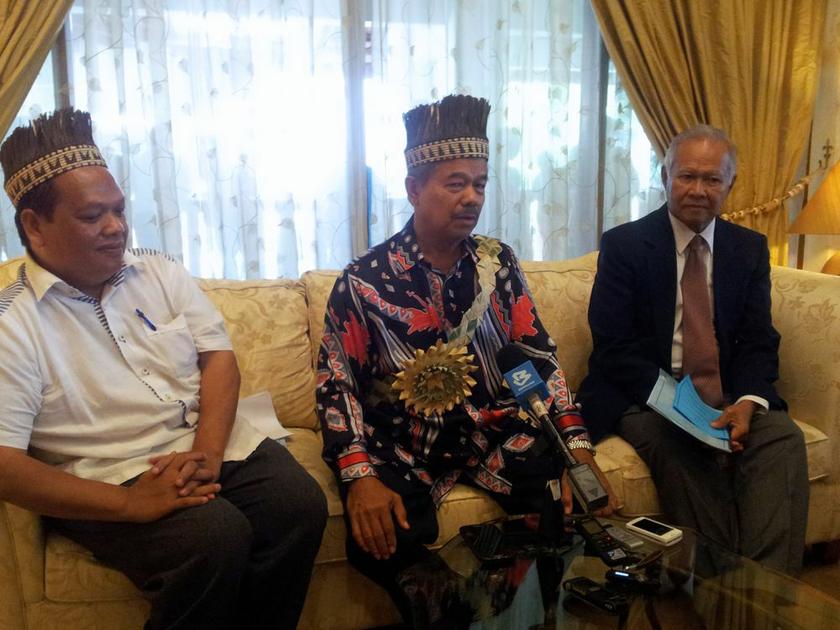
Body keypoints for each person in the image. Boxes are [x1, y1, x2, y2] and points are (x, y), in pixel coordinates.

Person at [0, 109, 327, 629]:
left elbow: (218, 357)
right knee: (214, 538)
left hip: (197, 442)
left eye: (119, 210)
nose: (116, 228)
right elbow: (6, 463)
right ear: (35, 227)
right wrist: (129, 506)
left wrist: (207, 454)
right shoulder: (12, 324)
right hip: (105, 472)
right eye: (92, 217)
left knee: (297, 506)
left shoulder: (159, 270)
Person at [316, 94, 618, 622]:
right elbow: (336, 387)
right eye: (455, 183)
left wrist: (575, 446)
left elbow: (537, 360)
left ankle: (527, 614)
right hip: (405, 444)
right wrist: (359, 475)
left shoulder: (496, 264)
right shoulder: (363, 282)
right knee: (378, 541)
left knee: (561, 504)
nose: (472, 197)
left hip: (491, 432)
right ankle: (457, 612)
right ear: (414, 189)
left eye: (480, 183)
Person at [576, 124, 808, 574]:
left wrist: (747, 401)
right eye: (687, 176)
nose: (698, 190)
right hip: (648, 397)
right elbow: (613, 346)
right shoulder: (625, 245)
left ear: (730, 185)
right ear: (665, 177)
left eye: (712, 179)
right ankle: (717, 584)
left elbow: (759, 338)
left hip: (725, 398)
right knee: (679, 445)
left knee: (783, 438)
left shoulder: (749, 249)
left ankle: (766, 592)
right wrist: (678, 406)